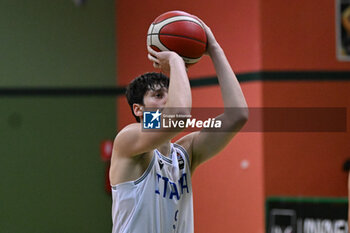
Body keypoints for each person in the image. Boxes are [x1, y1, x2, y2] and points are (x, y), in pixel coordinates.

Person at [109, 18, 249, 233]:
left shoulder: (184, 153)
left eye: (169, 93)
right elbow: (179, 116)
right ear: (138, 109)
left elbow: (238, 115)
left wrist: (214, 49)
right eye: (157, 95)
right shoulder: (128, 139)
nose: (167, 100)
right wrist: (175, 61)